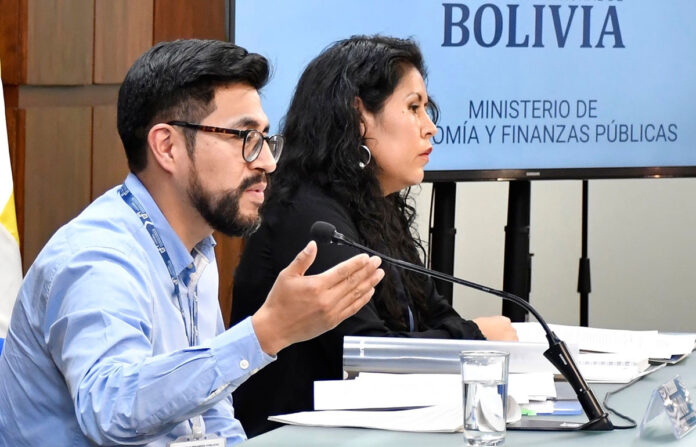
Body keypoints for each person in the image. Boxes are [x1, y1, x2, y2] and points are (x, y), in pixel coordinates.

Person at [0, 39, 384, 446]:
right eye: (245, 137)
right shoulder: (97, 258)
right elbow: (110, 410)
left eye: (266, 139)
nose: (268, 162)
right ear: (167, 147)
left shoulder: (196, 249)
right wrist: (266, 331)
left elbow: (208, 417)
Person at [230, 35, 518, 437]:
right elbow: (366, 356)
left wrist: (467, 335)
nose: (430, 127)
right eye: (413, 108)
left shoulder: (372, 205)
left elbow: (434, 312)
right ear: (359, 117)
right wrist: (476, 338)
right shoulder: (309, 218)